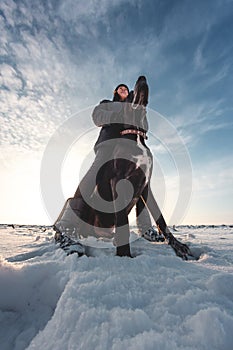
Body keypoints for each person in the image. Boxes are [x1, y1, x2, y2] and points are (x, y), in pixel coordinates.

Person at [54, 76, 192, 259]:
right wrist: (119, 114)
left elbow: (144, 120)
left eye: (126, 89)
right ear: (115, 92)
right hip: (108, 146)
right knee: (94, 175)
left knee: (141, 186)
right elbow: (97, 117)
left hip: (130, 144)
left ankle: (145, 229)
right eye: (120, 89)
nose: (123, 90)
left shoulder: (132, 105)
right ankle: (65, 228)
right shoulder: (108, 104)